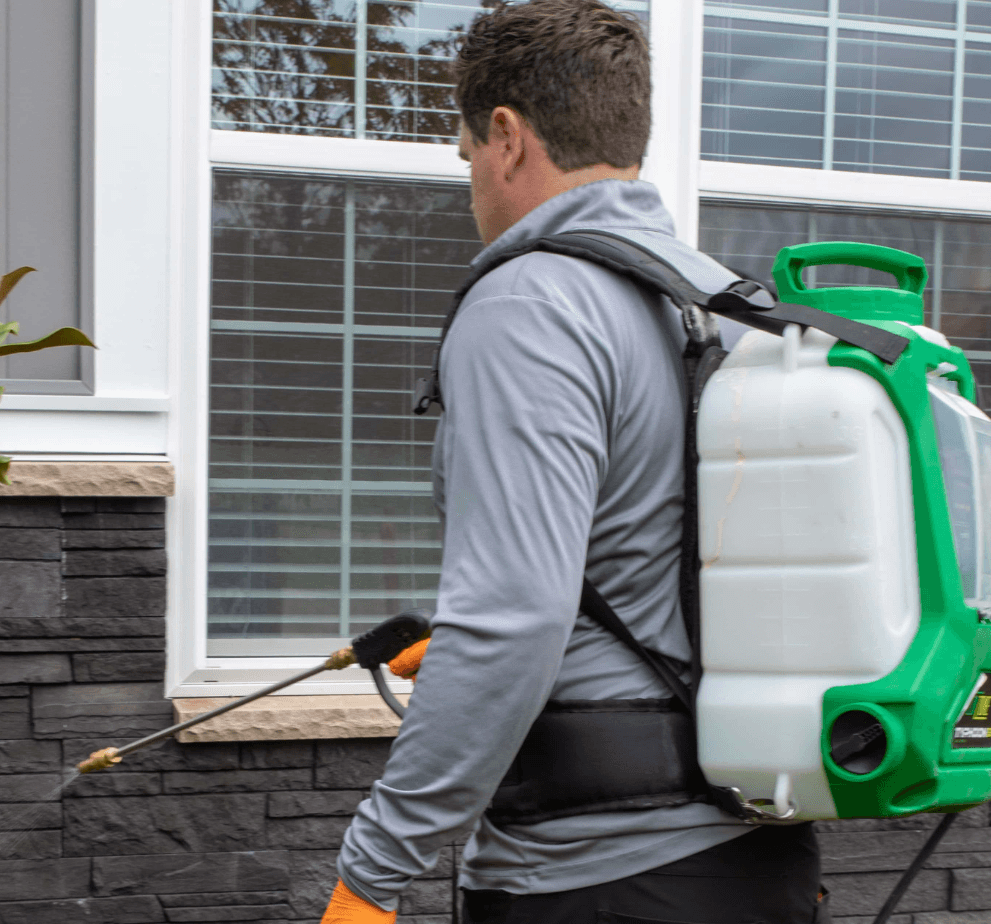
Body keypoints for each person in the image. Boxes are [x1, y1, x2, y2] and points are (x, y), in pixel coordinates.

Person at [318, 2, 826, 923]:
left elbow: (516, 617)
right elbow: (649, 560)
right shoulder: (705, 299)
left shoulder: (531, 303)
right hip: (754, 862)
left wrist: (372, 876)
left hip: (596, 879)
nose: (471, 176)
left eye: (467, 151)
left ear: (506, 137)